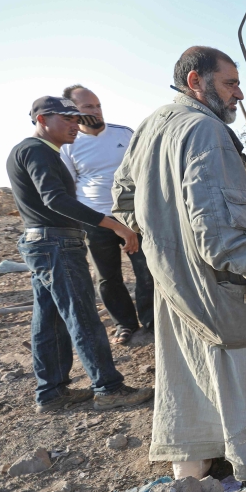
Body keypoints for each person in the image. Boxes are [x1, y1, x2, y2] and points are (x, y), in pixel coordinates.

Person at [112, 46, 246, 481]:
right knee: (244, 364)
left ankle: (191, 467)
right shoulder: (206, 131)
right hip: (215, 280)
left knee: (188, 370)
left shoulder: (151, 125)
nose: (237, 95)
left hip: (170, 279)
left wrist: (155, 240)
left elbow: (122, 195)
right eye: (230, 84)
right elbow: (218, 225)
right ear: (196, 82)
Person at [6, 96, 155, 413]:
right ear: (43, 119)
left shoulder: (36, 151)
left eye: (77, 119)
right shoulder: (37, 151)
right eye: (67, 119)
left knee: (49, 320)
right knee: (83, 317)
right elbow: (55, 200)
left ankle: (51, 392)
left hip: (44, 243)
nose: (76, 124)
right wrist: (115, 225)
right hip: (56, 243)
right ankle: (108, 388)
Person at [60, 85, 154, 345]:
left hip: (132, 216)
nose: (96, 110)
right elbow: (70, 185)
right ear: (72, 110)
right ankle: (124, 324)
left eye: (98, 105)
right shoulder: (68, 145)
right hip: (95, 221)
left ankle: (152, 323)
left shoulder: (124, 134)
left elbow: (145, 171)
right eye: (88, 106)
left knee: (147, 270)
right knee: (107, 277)